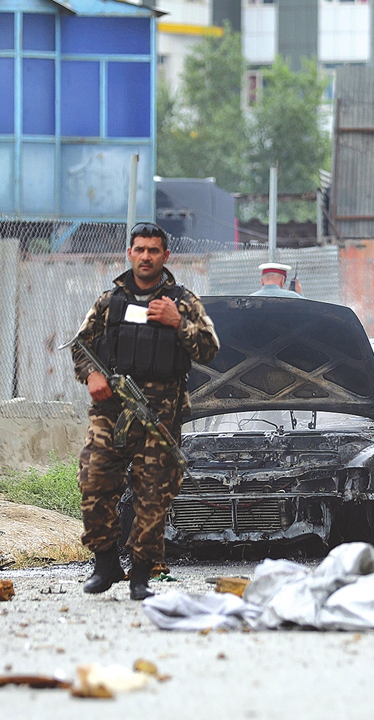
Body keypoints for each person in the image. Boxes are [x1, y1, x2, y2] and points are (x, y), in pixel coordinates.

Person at [72, 222, 219, 599]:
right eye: (140, 249)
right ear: (130, 253)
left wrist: (178, 323)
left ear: (165, 256)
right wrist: (91, 375)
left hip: (160, 416)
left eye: (154, 250)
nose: (146, 257)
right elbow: (80, 346)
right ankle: (104, 564)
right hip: (111, 410)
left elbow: (209, 349)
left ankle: (140, 575)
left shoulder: (182, 301)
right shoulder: (110, 301)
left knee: (153, 495)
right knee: (94, 480)